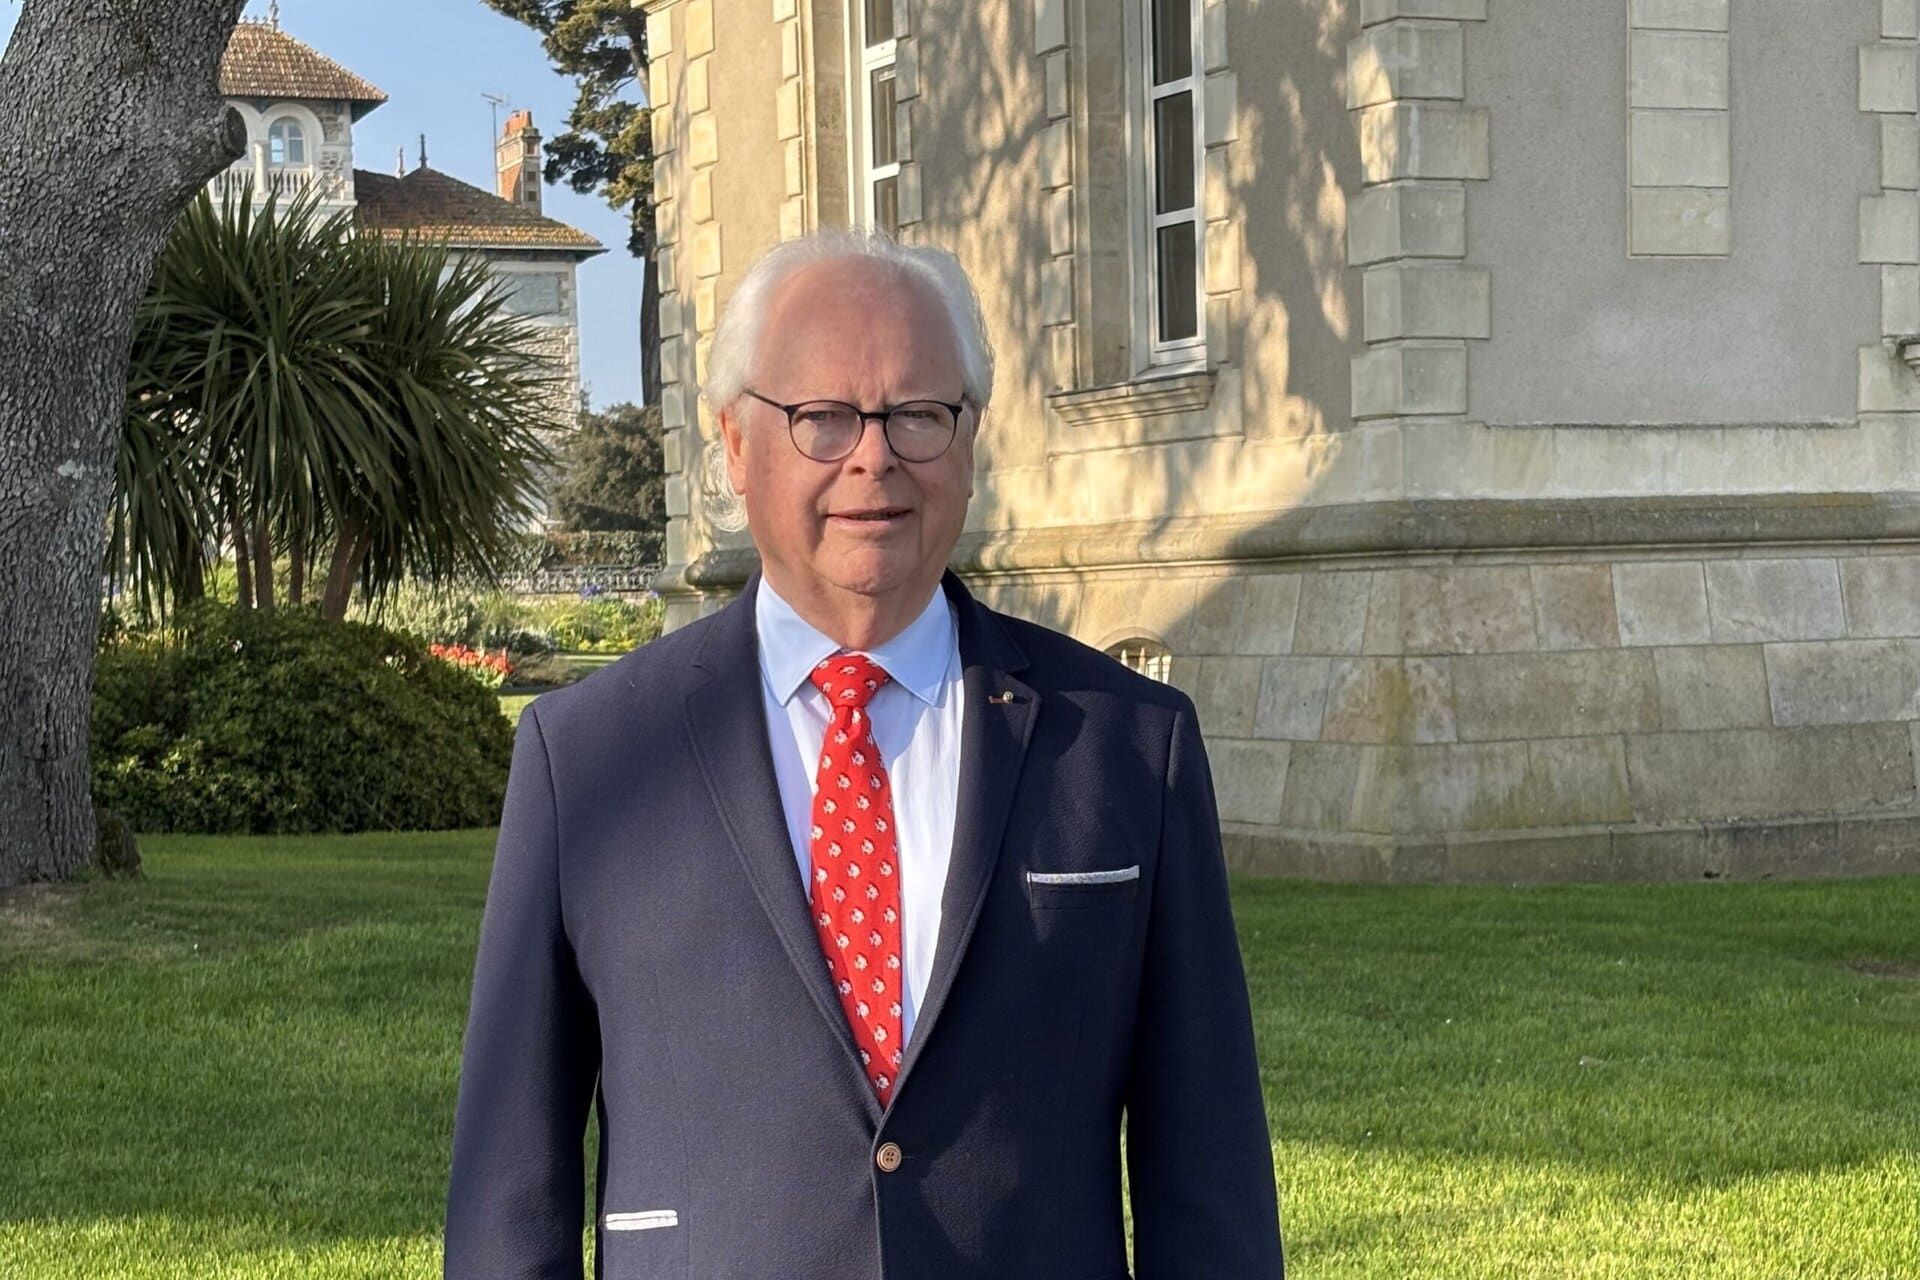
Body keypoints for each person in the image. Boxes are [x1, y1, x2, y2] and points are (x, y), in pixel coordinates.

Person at [443, 229, 1284, 1278]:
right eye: (822, 416)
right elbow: (507, 1200)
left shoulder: (1125, 746)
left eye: (918, 414)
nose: (873, 457)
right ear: (734, 443)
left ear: (970, 441)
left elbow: (1209, 1183)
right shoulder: (589, 758)